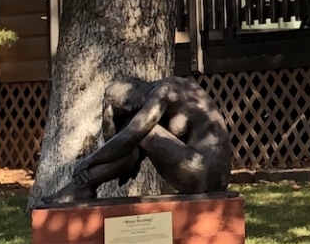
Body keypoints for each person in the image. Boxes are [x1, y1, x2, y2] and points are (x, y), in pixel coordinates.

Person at [44, 77, 232, 204]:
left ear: (133, 91)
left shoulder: (166, 90)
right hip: (202, 172)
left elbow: (131, 135)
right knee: (136, 134)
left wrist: (89, 160)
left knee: (140, 131)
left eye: (129, 106)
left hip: (208, 174)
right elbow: (124, 144)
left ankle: (82, 186)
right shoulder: (161, 93)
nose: (134, 110)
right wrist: (109, 116)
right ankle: (82, 187)